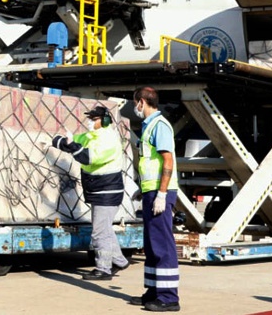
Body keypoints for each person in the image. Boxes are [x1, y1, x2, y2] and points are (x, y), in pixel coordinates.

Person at [48, 105, 131, 281]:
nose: (90, 122)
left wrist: (71, 146)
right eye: (90, 119)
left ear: (105, 120)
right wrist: (58, 141)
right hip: (98, 189)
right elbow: (75, 142)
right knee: (104, 229)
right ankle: (119, 261)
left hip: (107, 190)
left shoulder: (108, 139)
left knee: (99, 231)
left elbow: (88, 157)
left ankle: (104, 268)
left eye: (94, 119)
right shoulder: (93, 135)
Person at [129, 86, 181, 312]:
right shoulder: (149, 126)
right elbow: (151, 164)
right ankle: (153, 291)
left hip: (161, 193)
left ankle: (169, 298)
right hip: (151, 191)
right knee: (151, 246)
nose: (135, 108)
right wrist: (144, 189)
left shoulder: (160, 126)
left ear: (141, 102)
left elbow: (167, 161)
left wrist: (161, 193)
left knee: (162, 245)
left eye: (135, 103)